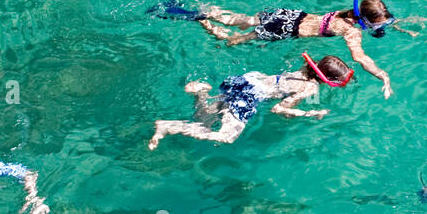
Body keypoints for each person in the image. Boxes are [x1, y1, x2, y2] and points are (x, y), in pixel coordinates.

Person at [148, 0, 427, 100]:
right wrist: (383, 76)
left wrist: (404, 25)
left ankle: (206, 11)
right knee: (231, 42)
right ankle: (201, 21)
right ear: (365, 22)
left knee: (243, 20)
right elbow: (360, 59)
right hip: (285, 32)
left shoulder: (347, 14)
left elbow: (376, 18)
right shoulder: (351, 32)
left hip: (288, 15)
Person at [148, 53, 355, 149]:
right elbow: (277, 109)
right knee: (225, 137)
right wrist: (308, 113)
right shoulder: (310, 88)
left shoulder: (303, 69)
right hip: (250, 96)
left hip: (248, 80)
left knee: (205, 120)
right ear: (327, 80)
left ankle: (201, 93)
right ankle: (169, 126)